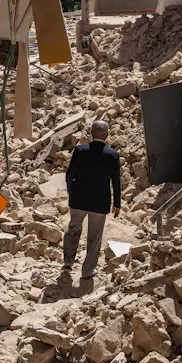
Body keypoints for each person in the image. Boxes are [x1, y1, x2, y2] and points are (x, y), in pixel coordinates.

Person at [62, 120, 121, 281]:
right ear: (106, 134)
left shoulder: (80, 150)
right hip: (99, 202)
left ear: (91, 134)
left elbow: (70, 173)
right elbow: (116, 181)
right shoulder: (112, 155)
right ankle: (87, 271)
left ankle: (68, 261)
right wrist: (117, 203)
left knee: (73, 230)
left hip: (78, 199)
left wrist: (70, 190)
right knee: (94, 238)